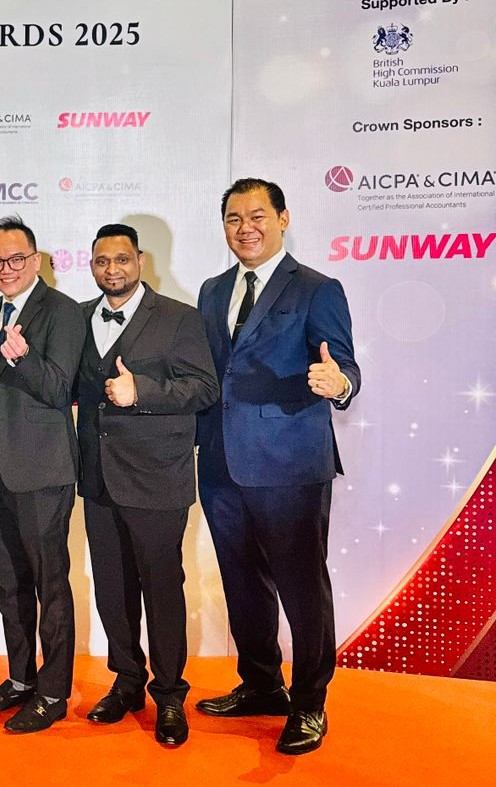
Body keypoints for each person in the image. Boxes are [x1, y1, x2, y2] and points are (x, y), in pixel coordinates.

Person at [195, 178, 360, 755]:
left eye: (258, 215)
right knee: (242, 583)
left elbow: (345, 365)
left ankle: (310, 701)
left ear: (283, 219)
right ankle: (262, 683)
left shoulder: (317, 288)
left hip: (291, 463)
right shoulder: (213, 291)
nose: (246, 227)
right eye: (234, 217)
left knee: (302, 587)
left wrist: (337, 383)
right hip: (220, 464)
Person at [75, 224, 218, 747]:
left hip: (157, 477)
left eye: (121, 259)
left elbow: (204, 387)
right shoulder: (80, 317)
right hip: (98, 479)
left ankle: (171, 694)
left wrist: (142, 392)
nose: (111, 270)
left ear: (140, 260)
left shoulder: (179, 318)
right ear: (91, 265)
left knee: (161, 589)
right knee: (113, 589)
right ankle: (127, 681)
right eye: (101, 262)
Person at [0, 215, 85, 733]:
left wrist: (25, 358)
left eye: (16, 259)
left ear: (35, 261)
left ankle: (53, 691)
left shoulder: (64, 312)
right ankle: (20, 679)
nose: (6, 268)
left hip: (41, 471)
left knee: (49, 585)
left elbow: (59, 390)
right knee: (9, 583)